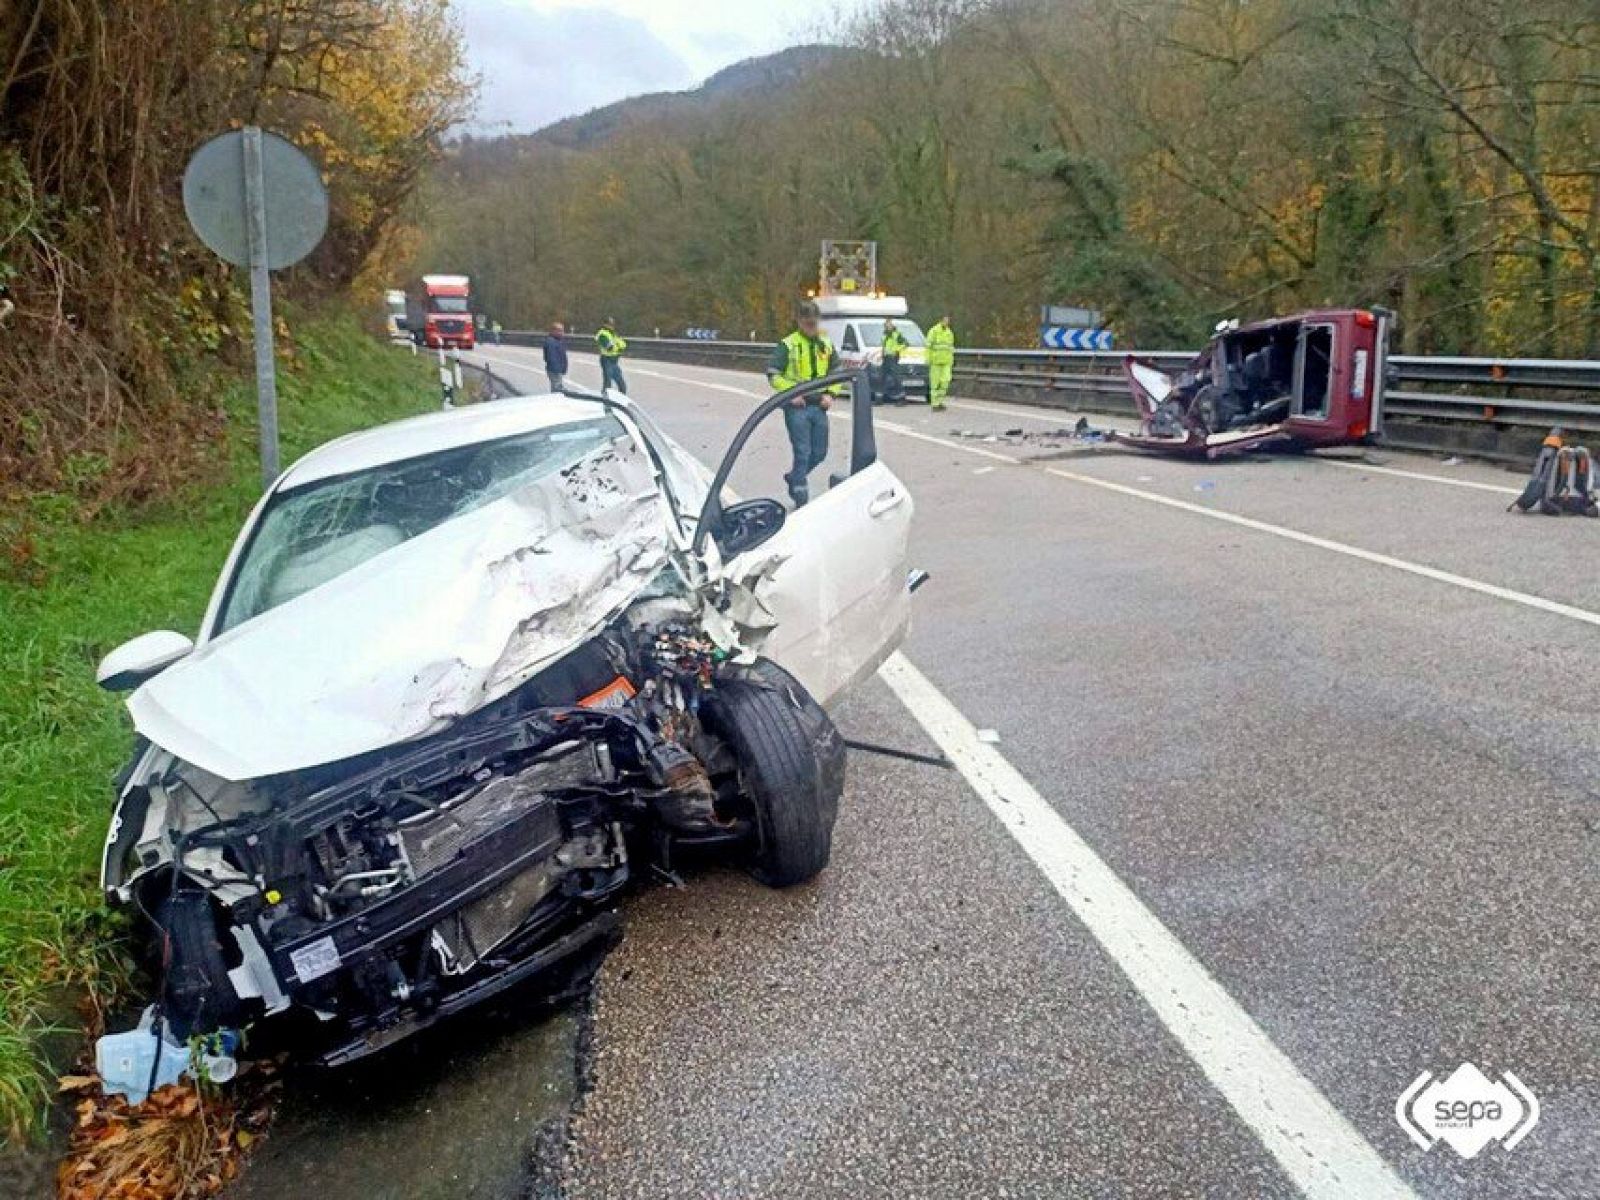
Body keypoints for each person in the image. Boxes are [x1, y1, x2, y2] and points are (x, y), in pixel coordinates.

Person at [767, 301, 841, 507]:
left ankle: (795, 477)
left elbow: (836, 372)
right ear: (799, 322)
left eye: (814, 323)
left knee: (819, 452)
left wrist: (831, 395)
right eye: (808, 324)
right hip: (796, 407)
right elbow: (774, 374)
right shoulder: (788, 344)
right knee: (803, 451)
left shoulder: (825, 344)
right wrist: (790, 394)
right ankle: (800, 492)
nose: (812, 327)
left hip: (819, 406)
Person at [926, 313, 955, 410]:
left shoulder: (949, 333)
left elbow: (950, 348)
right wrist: (928, 359)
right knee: (935, 384)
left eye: (948, 320)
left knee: (945, 382)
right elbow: (928, 346)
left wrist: (951, 361)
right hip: (935, 362)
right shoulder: (933, 331)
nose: (947, 322)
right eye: (945, 320)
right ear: (940, 320)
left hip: (946, 362)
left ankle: (940, 401)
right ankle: (935, 404)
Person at [596, 317, 628, 396]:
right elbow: (609, 347)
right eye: (609, 324)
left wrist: (618, 347)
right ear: (605, 324)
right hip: (607, 360)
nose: (611, 325)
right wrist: (618, 348)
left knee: (622, 385)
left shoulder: (613, 333)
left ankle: (621, 401)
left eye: (612, 324)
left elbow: (623, 344)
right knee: (607, 384)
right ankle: (605, 401)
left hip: (614, 361)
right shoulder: (602, 334)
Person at [880, 317, 908, 404]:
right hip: (886, 358)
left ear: (892, 325)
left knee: (896, 378)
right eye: (886, 325)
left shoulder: (896, 334)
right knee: (883, 377)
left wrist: (897, 350)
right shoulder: (884, 335)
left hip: (893, 357)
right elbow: (884, 346)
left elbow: (906, 344)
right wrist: (882, 354)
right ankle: (882, 397)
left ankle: (901, 397)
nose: (888, 326)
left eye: (889, 324)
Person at [543, 322, 569, 392]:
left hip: (558, 369)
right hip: (554, 370)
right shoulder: (551, 342)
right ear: (554, 331)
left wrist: (564, 368)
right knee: (557, 389)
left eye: (562, 330)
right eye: (560, 331)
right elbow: (551, 357)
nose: (562, 333)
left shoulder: (559, 341)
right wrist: (557, 370)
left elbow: (562, 355)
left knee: (557, 388)